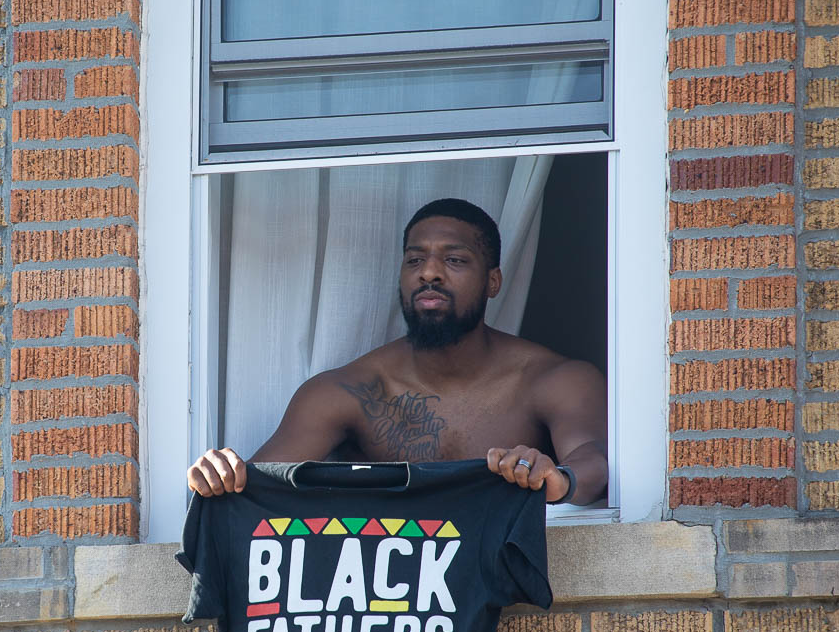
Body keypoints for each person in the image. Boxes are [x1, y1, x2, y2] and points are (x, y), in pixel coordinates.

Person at [186, 197, 607, 505]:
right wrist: (220, 476)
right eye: (414, 260)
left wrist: (558, 480)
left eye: (455, 260)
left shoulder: (554, 379)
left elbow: (595, 463)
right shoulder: (347, 391)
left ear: (493, 282)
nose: (429, 272)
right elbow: (258, 490)